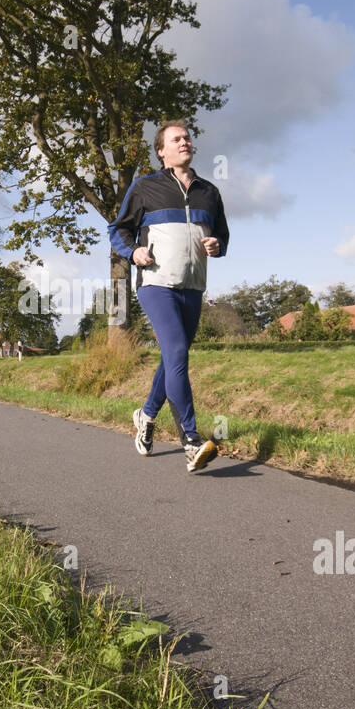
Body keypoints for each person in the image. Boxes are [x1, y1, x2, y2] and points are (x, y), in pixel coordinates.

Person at [108, 121, 230, 472]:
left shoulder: (209, 191)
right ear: (161, 151)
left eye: (188, 137)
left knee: (172, 357)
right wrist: (133, 253)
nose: (185, 142)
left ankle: (146, 415)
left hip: (193, 285)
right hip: (156, 283)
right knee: (176, 352)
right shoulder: (145, 187)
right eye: (176, 139)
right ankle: (191, 441)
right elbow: (118, 229)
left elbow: (221, 234)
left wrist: (216, 245)